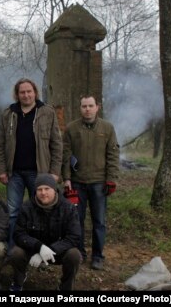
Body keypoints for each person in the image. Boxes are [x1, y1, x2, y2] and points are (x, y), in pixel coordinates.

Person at [0, 78, 62, 246]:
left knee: (41, 211)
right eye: (22, 92)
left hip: (40, 173)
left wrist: (54, 172)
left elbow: (57, 144)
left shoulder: (47, 112)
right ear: (17, 94)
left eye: (29, 91)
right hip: (14, 173)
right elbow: (0, 144)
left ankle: (41, 249)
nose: (26, 95)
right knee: (12, 212)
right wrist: (1, 170)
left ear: (35, 92)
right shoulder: (8, 114)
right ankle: (11, 248)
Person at [62, 95, 119, 270]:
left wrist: (111, 179)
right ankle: (79, 252)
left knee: (99, 221)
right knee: (76, 220)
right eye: (84, 106)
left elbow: (112, 155)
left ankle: (97, 256)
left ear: (97, 107)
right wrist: (67, 179)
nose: (87, 109)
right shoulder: (71, 128)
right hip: (77, 184)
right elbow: (65, 155)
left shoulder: (107, 128)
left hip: (99, 183)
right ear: (80, 108)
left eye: (90, 106)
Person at [10, 173, 81, 291]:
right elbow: (18, 234)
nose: (43, 193)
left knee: (74, 255)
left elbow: (74, 236)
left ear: (54, 190)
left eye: (47, 189)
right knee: (16, 253)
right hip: (33, 249)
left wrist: (51, 250)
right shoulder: (27, 207)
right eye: (39, 189)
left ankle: (65, 287)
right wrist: (39, 247)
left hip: (57, 252)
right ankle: (18, 282)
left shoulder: (68, 208)